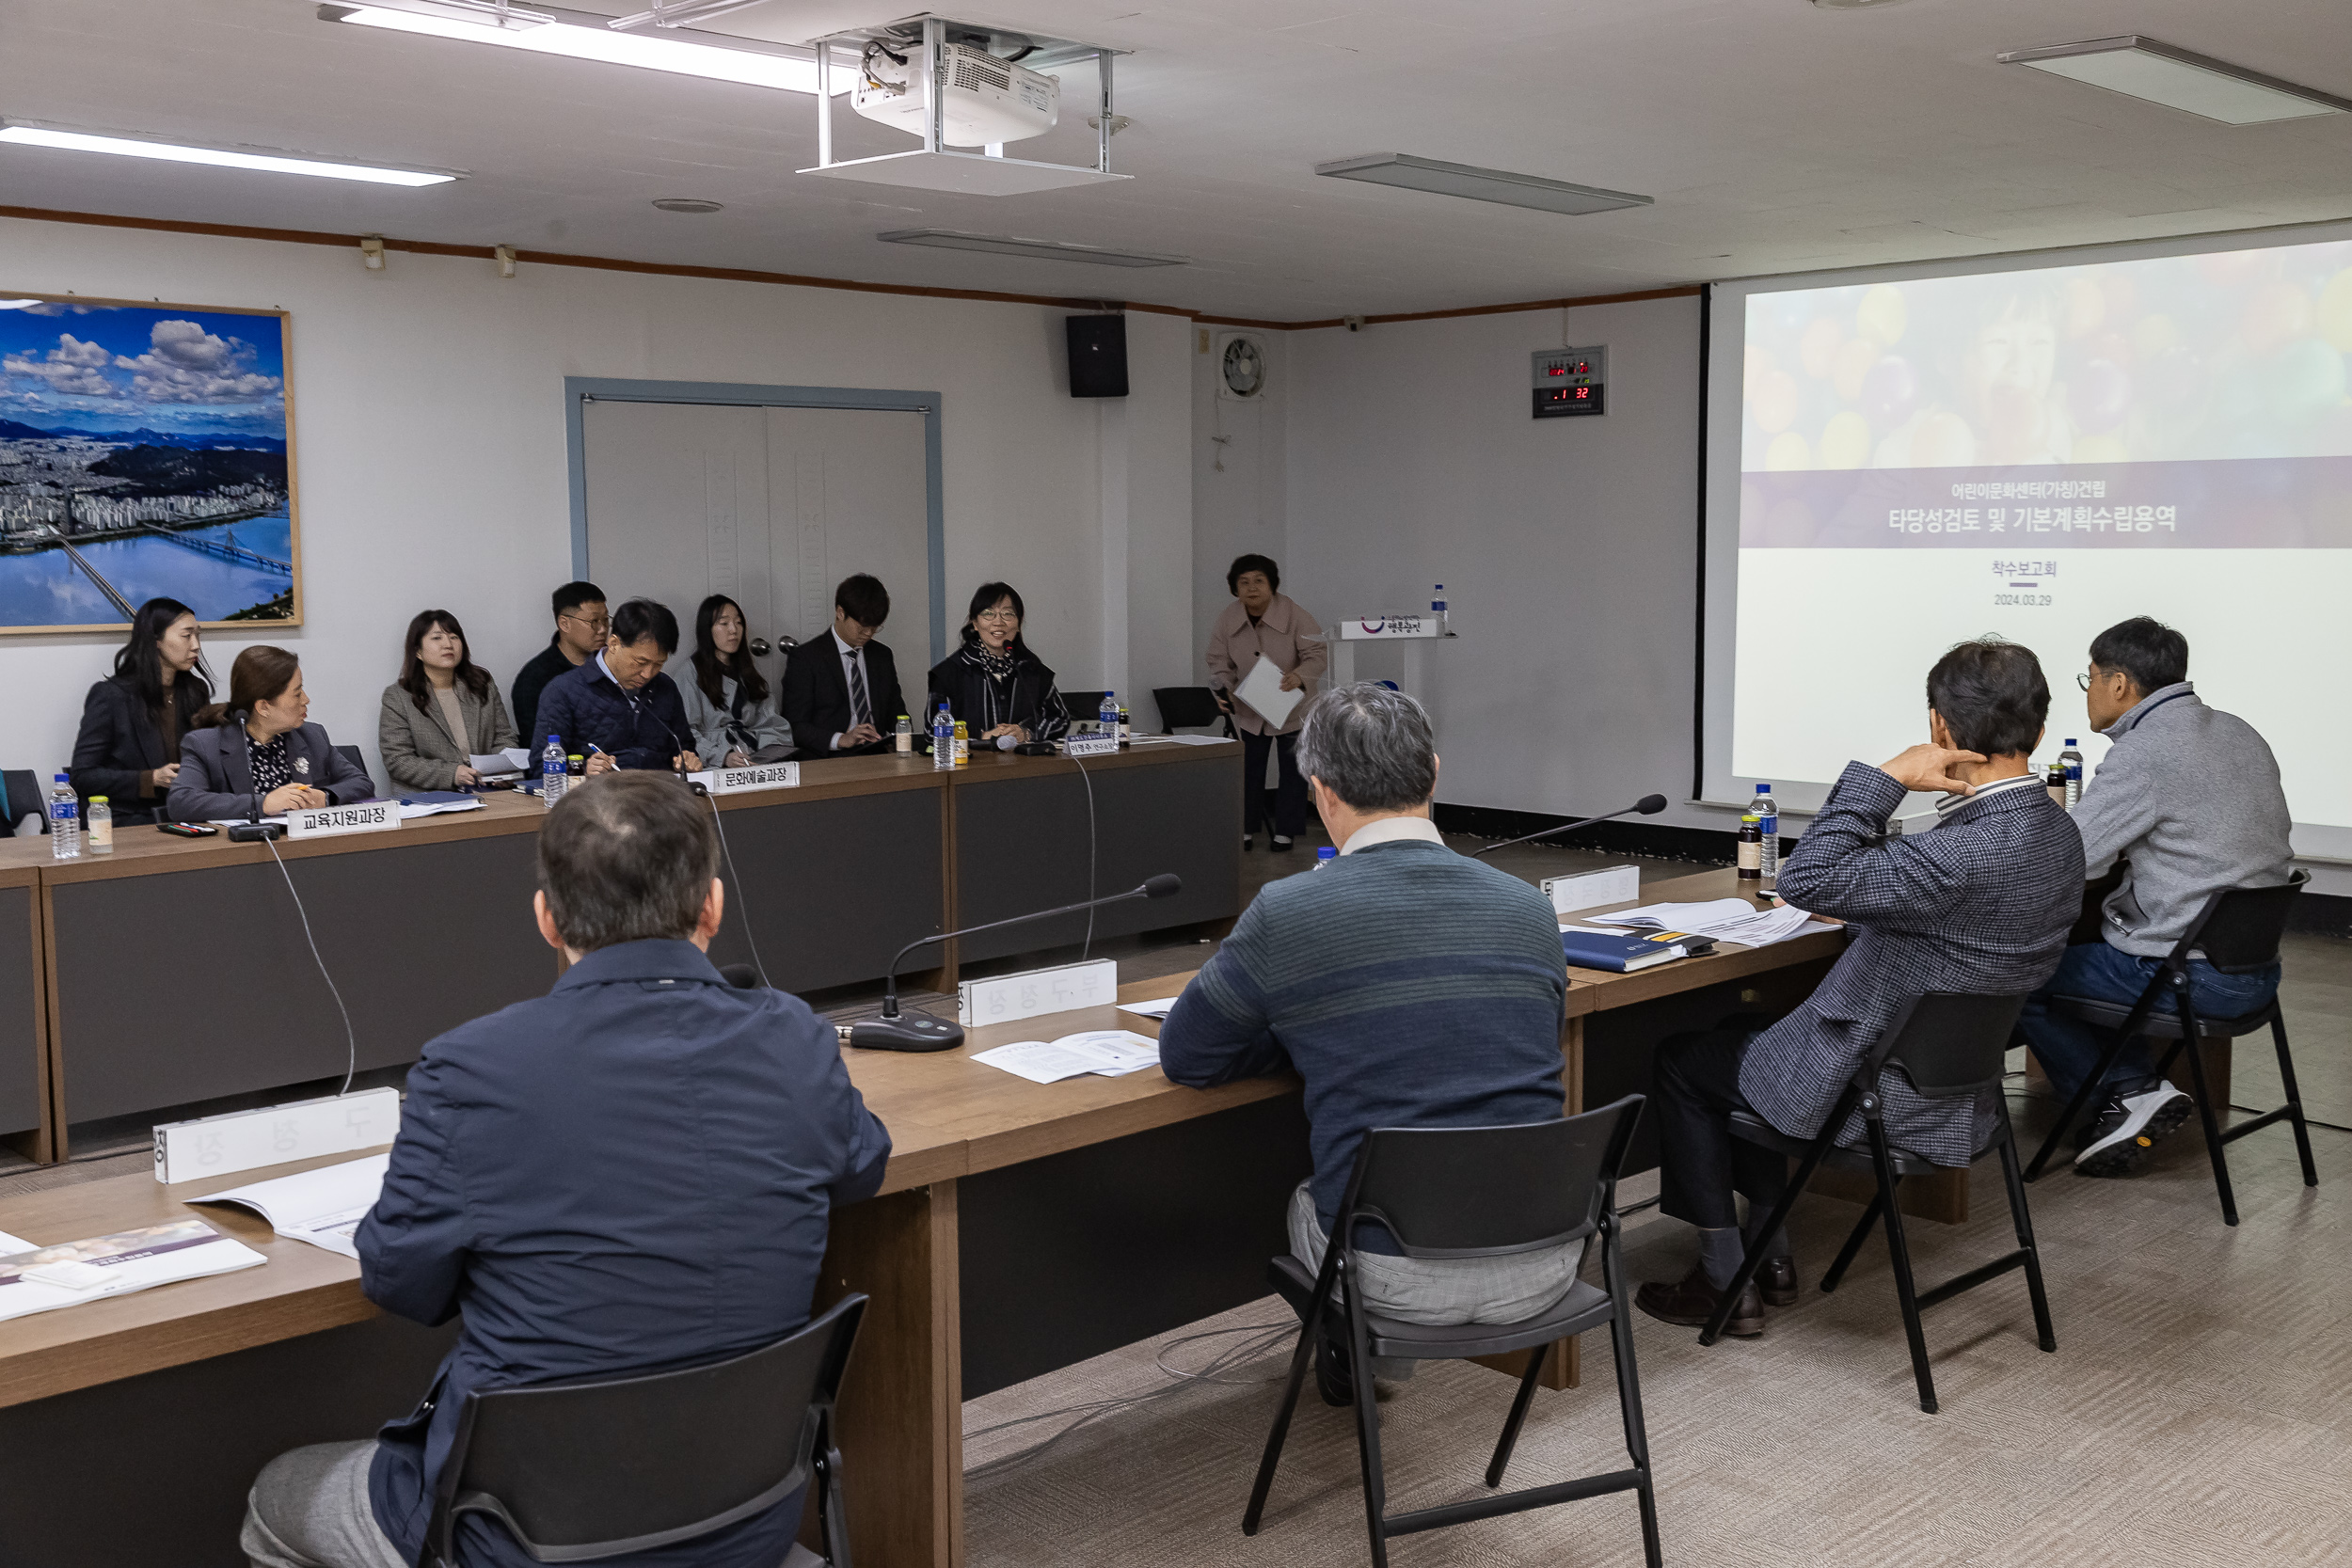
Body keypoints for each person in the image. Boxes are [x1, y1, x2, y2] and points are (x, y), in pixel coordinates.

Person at [237, 771, 892, 1568]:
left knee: (279, 1493)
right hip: (747, 1519)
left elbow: (401, 1282)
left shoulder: (468, 1069)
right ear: (712, 906)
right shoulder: (795, 1036)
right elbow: (862, 1166)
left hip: (522, 1538)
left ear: (547, 918)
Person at [1635, 638, 2082, 1338]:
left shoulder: (1956, 853)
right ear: (2041, 727)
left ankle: (1725, 1277)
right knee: (1737, 1036)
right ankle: (1772, 1254)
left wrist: (1889, 776)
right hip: (1964, 1089)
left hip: (1884, 1098)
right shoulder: (2058, 833)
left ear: (1940, 728)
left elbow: (1805, 879)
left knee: (1685, 1060)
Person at [1159, 684, 1574, 1402]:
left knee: (1309, 1188)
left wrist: (1301, 1031)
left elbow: (1188, 1055)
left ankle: (1360, 1362)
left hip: (1393, 1277)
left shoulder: (1289, 911)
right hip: (1545, 1259)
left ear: (1319, 793)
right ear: (1435, 774)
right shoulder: (1530, 908)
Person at [2016, 617, 2295, 1178]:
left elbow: (2075, 858)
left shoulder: (2148, 750)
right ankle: (2138, 1088)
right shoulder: (2240, 730)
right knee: (2089, 941)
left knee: (2021, 975)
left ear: (2119, 684)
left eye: (2088, 678)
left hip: (2191, 978)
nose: (2088, 692)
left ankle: (2126, 1093)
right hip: (2255, 971)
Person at [168, 646, 374, 821]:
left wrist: (327, 797)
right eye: (297, 693)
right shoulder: (205, 745)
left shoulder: (312, 736)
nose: (306, 700)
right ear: (264, 707)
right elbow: (181, 802)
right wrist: (263, 803)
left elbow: (362, 783)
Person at [1205, 553, 1326, 852]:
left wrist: (1300, 676)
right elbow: (1218, 660)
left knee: (1293, 771)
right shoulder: (1227, 618)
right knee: (1248, 769)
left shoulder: (1296, 614)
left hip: (1291, 706)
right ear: (1235, 588)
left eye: (1259, 580)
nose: (1252, 587)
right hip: (1249, 708)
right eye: (1244, 582)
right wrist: (1225, 690)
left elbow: (1318, 654)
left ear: (1272, 584)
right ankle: (1244, 829)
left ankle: (1285, 831)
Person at [69, 596, 214, 825]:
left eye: (198, 635)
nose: (196, 645)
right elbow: (82, 776)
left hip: (187, 814)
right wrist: (151, 779)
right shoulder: (111, 696)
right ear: (156, 639)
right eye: (186, 635)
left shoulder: (196, 691)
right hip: (129, 819)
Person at [530, 597, 697, 774]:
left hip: (660, 793)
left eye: (658, 664)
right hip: (599, 797)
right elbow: (540, 769)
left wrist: (687, 760)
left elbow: (684, 747)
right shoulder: (563, 691)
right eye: (640, 662)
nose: (648, 674)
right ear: (614, 644)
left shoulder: (665, 687)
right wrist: (584, 769)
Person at [377, 609, 519, 792]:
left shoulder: (482, 684)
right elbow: (398, 760)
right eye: (437, 638)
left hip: (488, 791)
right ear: (418, 651)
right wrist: (451, 773)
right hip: (430, 798)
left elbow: (504, 736)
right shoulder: (398, 697)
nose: (448, 645)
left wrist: (501, 770)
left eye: (454, 637)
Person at [927, 582, 1070, 750]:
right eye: (988, 614)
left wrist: (1026, 733)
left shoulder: (1031, 669)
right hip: (969, 768)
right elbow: (932, 732)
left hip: (1027, 768)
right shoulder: (950, 672)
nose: (998, 622)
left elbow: (1060, 718)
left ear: (1018, 623)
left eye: (1008, 614)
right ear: (975, 623)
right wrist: (982, 736)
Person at [782, 573, 908, 758]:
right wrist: (841, 739)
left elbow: (897, 712)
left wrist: (901, 738)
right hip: (830, 756)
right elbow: (795, 725)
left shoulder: (882, 655)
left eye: (875, 628)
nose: (868, 634)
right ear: (840, 613)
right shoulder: (806, 659)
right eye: (862, 626)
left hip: (878, 752)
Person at [680, 594, 795, 768]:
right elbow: (685, 733)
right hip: (713, 764)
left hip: (754, 760)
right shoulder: (689, 672)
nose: (733, 630)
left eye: (739, 622)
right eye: (724, 623)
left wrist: (768, 752)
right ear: (707, 629)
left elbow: (772, 721)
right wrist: (722, 756)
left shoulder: (749, 671)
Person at [508, 580, 607, 747]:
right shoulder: (535, 678)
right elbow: (539, 747)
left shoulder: (612, 667)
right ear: (564, 623)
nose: (603, 629)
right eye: (593, 622)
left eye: (605, 620)